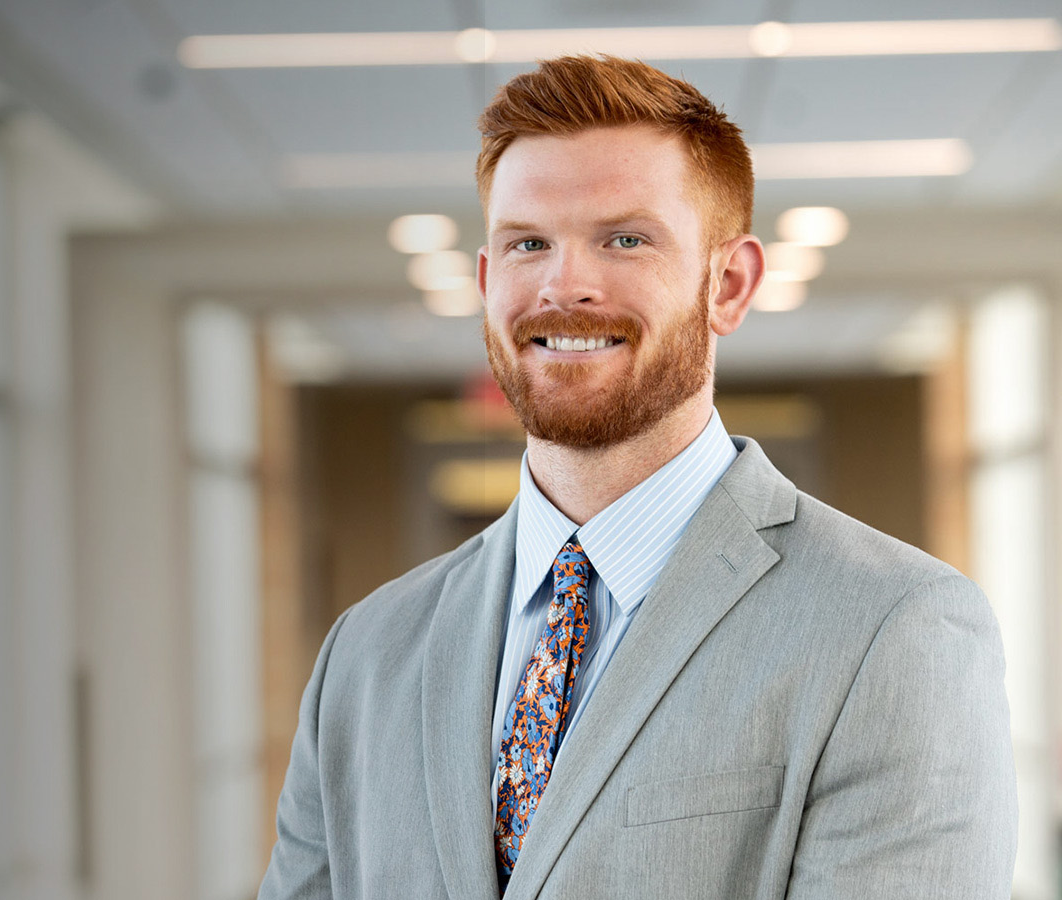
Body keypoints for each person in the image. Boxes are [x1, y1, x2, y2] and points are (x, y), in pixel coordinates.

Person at [257, 55, 1017, 900]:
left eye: (625, 239)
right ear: (485, 284)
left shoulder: (894, 629)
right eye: (527, 244)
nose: (563, 284)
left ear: (728, 285)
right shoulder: (365, 653)